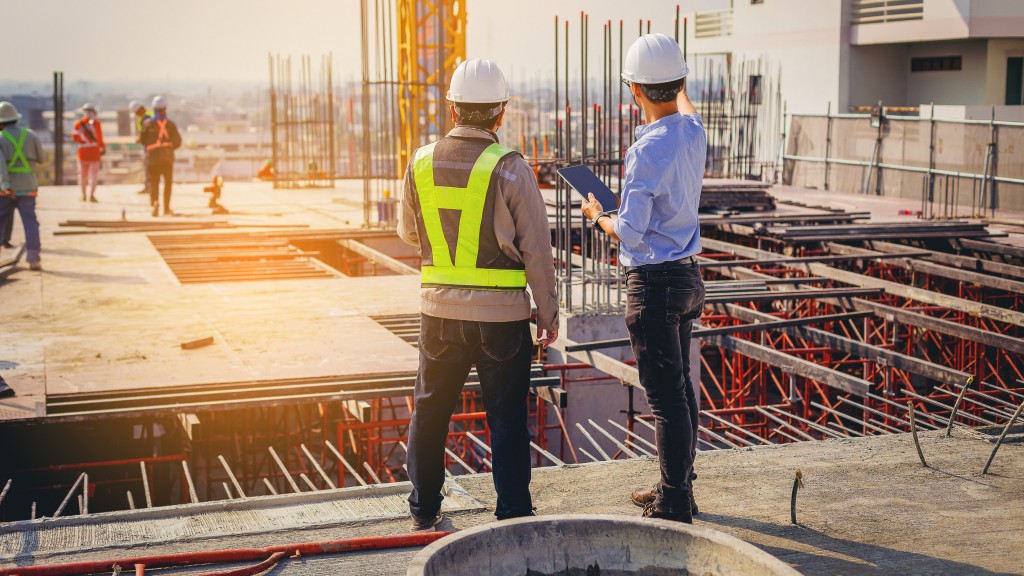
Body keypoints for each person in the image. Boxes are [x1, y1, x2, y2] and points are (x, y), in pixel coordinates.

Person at [398, 59, 559, 531]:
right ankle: (512, 515)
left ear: (453, 109)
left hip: (439, 314)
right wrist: (547, 314)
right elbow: (537, 251)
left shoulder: (421, 161)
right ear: (500, 112)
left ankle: (424, 509)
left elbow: (410, 232)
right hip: (502, 320)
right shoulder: (510, 168)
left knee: (429, 411)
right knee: (507, 419)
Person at [581, 33, 707, 524]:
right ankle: (678, 486)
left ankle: (674, 501)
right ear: (678, 84)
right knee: (680, 390)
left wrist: (596, 214)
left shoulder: (647, 149)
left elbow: (631, 234)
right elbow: (687, 108)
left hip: (654, 283)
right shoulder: (693, 132)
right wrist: (676, 82)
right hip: (687, 278)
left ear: (633, 90)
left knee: (666, 399)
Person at [0, 101, 45, 271]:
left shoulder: (1, 138)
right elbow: (41, 158)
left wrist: (5, 185)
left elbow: (1, 166)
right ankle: (34, 258)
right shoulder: (31, 135)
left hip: (7, 189)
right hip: (28, 186)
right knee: (30, 222)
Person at [139, 96, 182, 216]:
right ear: (165, 109)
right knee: (168, 183)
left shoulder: (148, 124)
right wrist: (168, 148)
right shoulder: (170, 125)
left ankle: (155, 203)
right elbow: (178, 141)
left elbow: (143, 140)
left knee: (154, 183)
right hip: (167, 158)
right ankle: (167, 208)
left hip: (152, 158)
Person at [72, 103, 105, 202]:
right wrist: (102, 147)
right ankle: (91, 195)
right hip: (94, 152)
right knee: (93, 175)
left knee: (82, 175)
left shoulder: (78, 124)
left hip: (82, 153)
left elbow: (75, 137)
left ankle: (83, 195)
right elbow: (100, 138)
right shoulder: (96, 123)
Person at [130, 100, 153, 195]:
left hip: (149, 147)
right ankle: (150, 186)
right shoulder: (150, 114)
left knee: (148, 167)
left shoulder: (145, 118)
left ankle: (148, 187)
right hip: (152, 146)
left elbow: (146, 135)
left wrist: (140, 139)